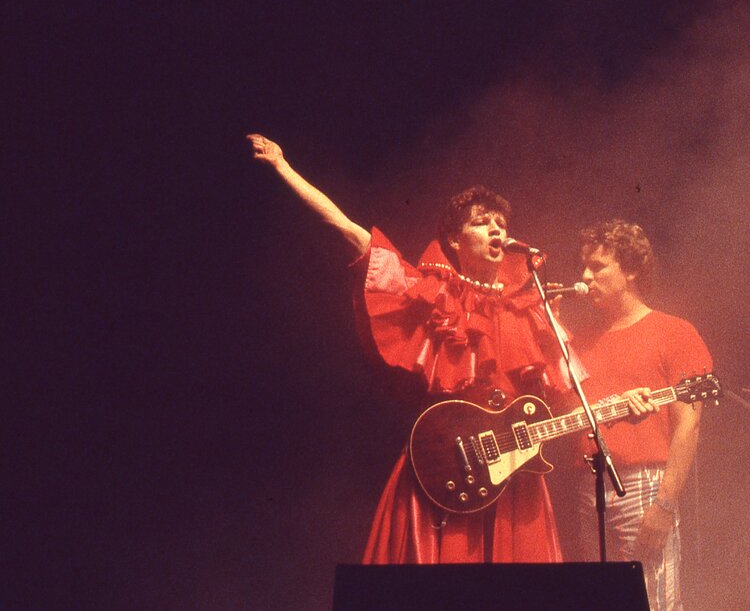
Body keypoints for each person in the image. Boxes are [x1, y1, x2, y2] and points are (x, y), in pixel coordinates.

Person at [246, 133, 578, 564]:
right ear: (456, 242)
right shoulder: (428, 292)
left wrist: (623, 410)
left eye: (501, 223)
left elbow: (560, 395)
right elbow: (350, 233)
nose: (497, 228)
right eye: (482, 221)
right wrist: (284, 168)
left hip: (515, 474)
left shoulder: (528, 307)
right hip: (446, 467)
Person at [561, 219, 712, 611]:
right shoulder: (581, 342)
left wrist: (663, 506)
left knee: (652, 602)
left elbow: (688, 426)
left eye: (597, 266)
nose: (585, 277)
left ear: (630, 270)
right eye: (584, 267)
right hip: (588, 488)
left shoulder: (674, 331)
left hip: (643, 485)